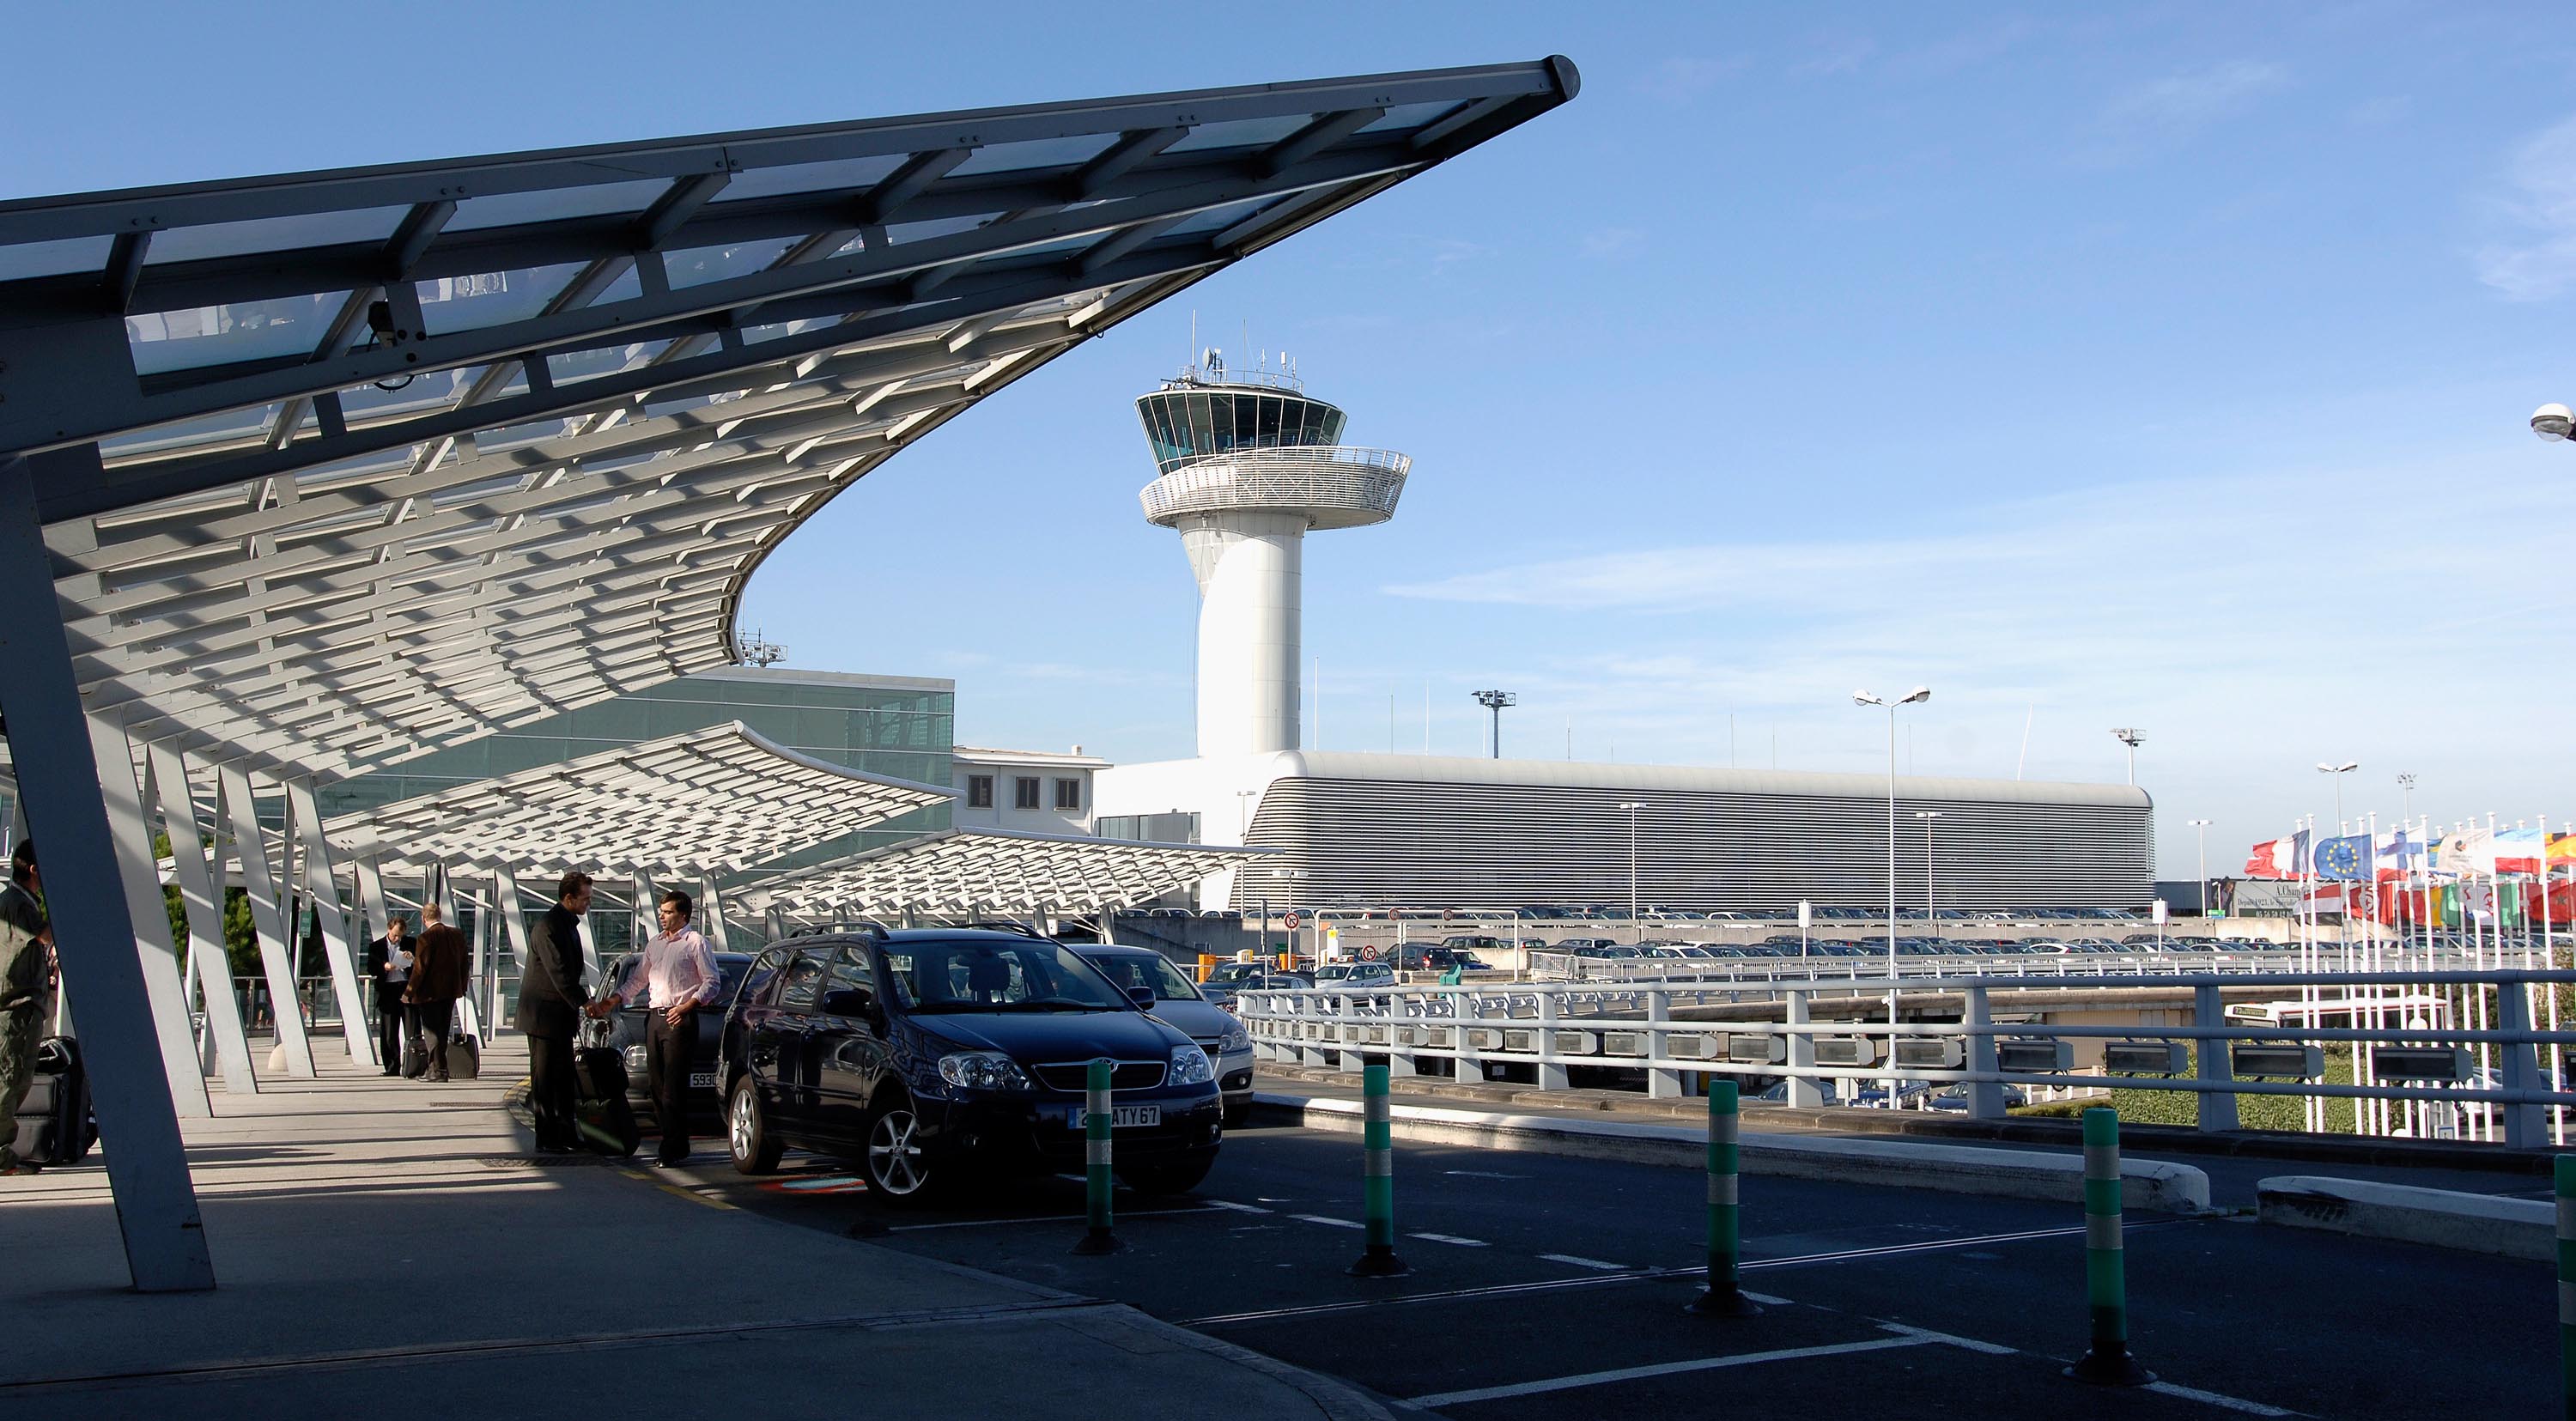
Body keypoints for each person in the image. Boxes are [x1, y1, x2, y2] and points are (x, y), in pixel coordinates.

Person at [588, 890, 717, 1168]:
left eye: (668, 912)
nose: (662, 916)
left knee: (673, 1087)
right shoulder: (655, 944)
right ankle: (676, 1143)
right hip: (654, 1018)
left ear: (683, 915)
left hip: (680, 1019)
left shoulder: (696, 943)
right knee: (657, 1086)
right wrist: (611, 1001)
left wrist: (688, 1005)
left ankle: (671, 1148)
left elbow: (712, 982)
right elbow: (637, 981)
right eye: (661, 911)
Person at [517, 871, 594, 1153]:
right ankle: (547, 1137)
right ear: (568, 898)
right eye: (585, 899)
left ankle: (565, 1133)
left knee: (562, 1078)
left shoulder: (567, 925)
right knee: (545, 1078)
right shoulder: (549, 926)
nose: (589, 904)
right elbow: (558, 972)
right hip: (543, 1018)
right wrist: (585, 1002)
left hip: (558, 1017)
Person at [0, 841, 56, 1175]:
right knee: (11, 1079)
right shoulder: (19, 904)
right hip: (16, 1007)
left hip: (18, 1005)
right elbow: (45, 936)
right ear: (34, 870)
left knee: (13, 1078)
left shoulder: (15, 901)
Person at [404, 902, 468, 1083]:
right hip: (450, 991)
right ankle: (440, 1069)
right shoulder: (457, 935)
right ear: (440, 915)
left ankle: (438, 1070)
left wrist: (409, 992)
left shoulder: (426, 938)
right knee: (442, 1029)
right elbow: (464, 964)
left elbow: (419, 969)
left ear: (424, 919)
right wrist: (462, 986)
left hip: (429, 993)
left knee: (431, 1032)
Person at [362, 914, 416, 1077]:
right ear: (388, 929)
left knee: (412, 1029)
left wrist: (411, 959)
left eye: (400, 935)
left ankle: (414, 1065)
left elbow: (420, 965)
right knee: (389, 1032)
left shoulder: (411, 943)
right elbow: (371, 968)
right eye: (394, 935)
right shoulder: (376, 947)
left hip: (406, 988)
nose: (397, 939)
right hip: (388, 990)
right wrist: (384, 966)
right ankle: (392, 1066)